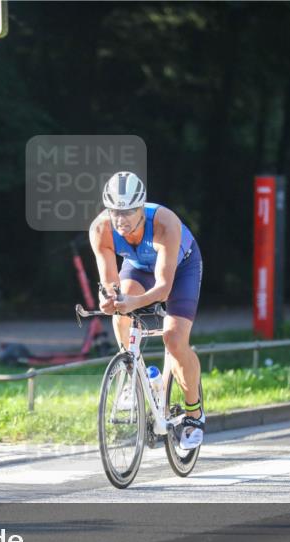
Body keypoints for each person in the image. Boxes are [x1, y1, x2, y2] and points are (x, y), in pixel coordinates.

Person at [88, 171, 205, 449]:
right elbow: (109, 283)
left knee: (174, 340)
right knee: (120, 312)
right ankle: (132, 372)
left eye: (128, 211)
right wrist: (109, 298)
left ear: (141, 207)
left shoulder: (165, 223)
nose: (120, 219)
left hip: (181, 268)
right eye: (114, 211)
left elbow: (164, 288)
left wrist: (131, 303)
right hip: (139, 268)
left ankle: (194, 412)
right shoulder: (100, 229)